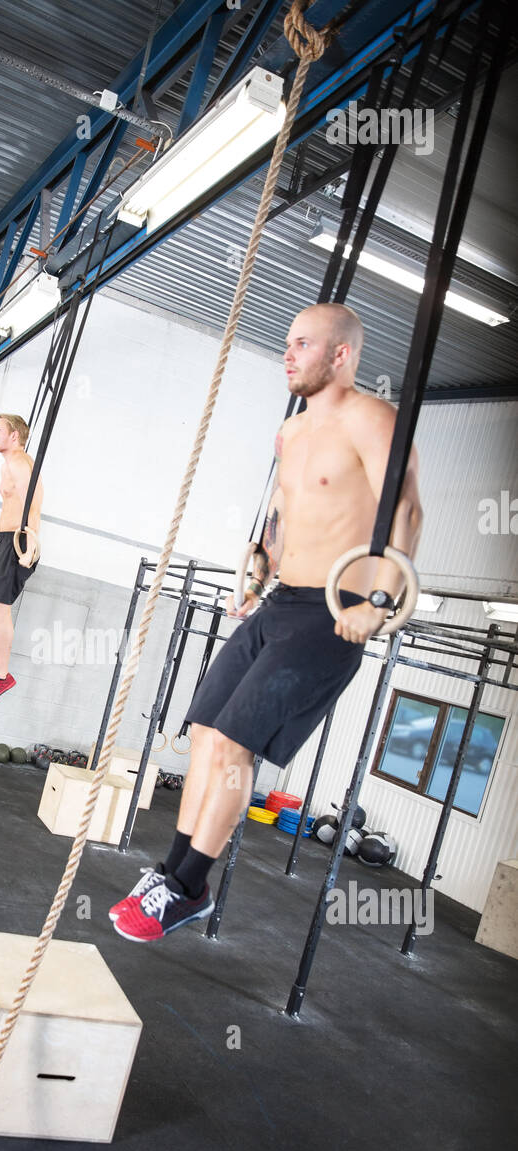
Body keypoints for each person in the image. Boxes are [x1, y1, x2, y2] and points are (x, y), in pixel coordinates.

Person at [110, 302, 424, 941]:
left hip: (331, 616)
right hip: (280, 602)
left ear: (341, 354)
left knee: (232, 747)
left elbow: (408, 512)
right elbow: (285, 511)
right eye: (287, 342)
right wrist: (257, 575)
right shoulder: (293, 430)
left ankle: (190, 886)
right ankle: (171, 873)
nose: (288, 353)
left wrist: (377, 602)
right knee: (202, 731)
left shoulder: (374, 418)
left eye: (302, 343)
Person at [0, 413, 42, 705]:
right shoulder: (7, 465)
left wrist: (30, 547)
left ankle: (2, 676)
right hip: (4, 540)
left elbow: (34, 502)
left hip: (19, 540)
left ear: (14, 436)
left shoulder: (20, 463)